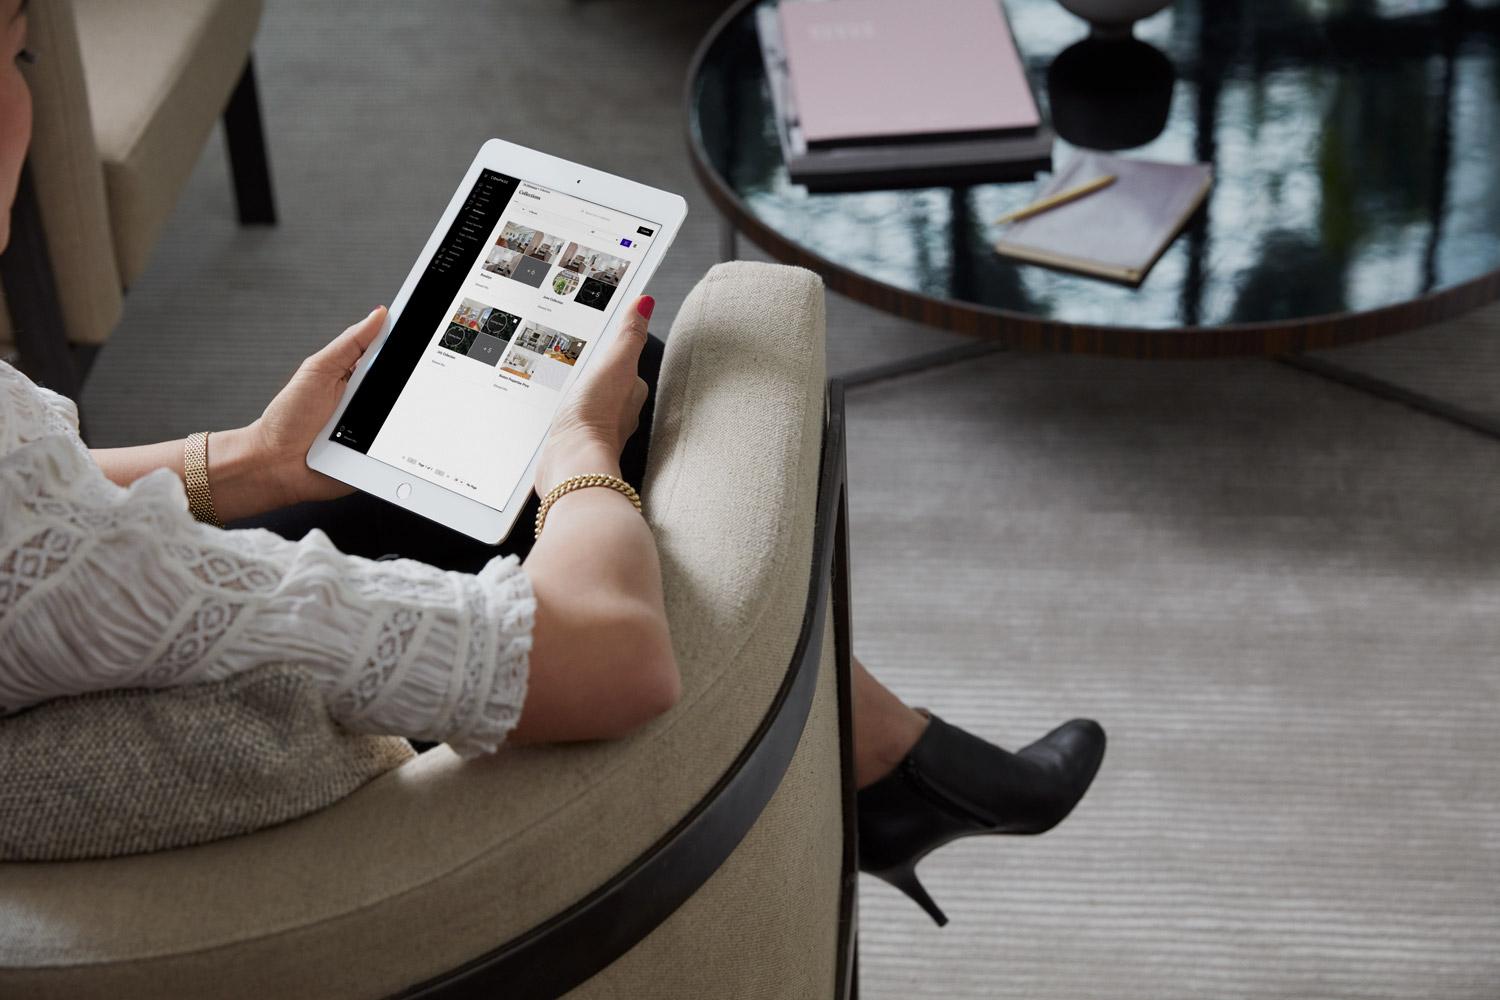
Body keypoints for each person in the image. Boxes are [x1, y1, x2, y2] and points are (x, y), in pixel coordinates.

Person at [0, 0, 1103, 925]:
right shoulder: (73, 570)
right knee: (603, 416)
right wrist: (581, 461)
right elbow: (615, 662)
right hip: (261, 793)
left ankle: (893, 762)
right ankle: (894, 769)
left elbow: (37, 498)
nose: (25, 105)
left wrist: (249, 462)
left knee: (557, 406)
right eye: (12, 54)